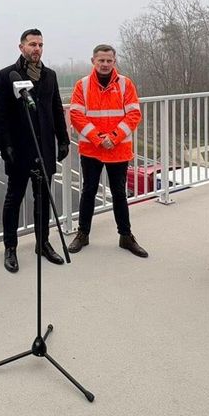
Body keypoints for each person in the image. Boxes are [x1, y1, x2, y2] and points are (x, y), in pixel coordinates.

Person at [0, 28, 69, 273]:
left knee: (43, 198)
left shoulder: (50, 75)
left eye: (40, 45)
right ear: (21, 47)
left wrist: (63, 139)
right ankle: (10, 248)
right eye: (32, 44)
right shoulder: (6, 76)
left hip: (44, 148)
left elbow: (56, 108)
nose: (37, 49)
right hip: (19, 149)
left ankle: (43, 243)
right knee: (13, 199)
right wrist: (5, 147)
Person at [66, 44, 148, 258]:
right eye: (101, 60)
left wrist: (113, 137)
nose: (104, 64)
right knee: (89, 191)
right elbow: (76, 115)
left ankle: (126, 236)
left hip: (117, 149)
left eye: (108, 61)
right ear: (93, 61)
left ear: (114, 61)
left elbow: (133, 114)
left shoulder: (125, 84)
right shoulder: (82, 85)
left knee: (119, 193)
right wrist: (97, 138)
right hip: (92, 149)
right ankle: (82, 234)